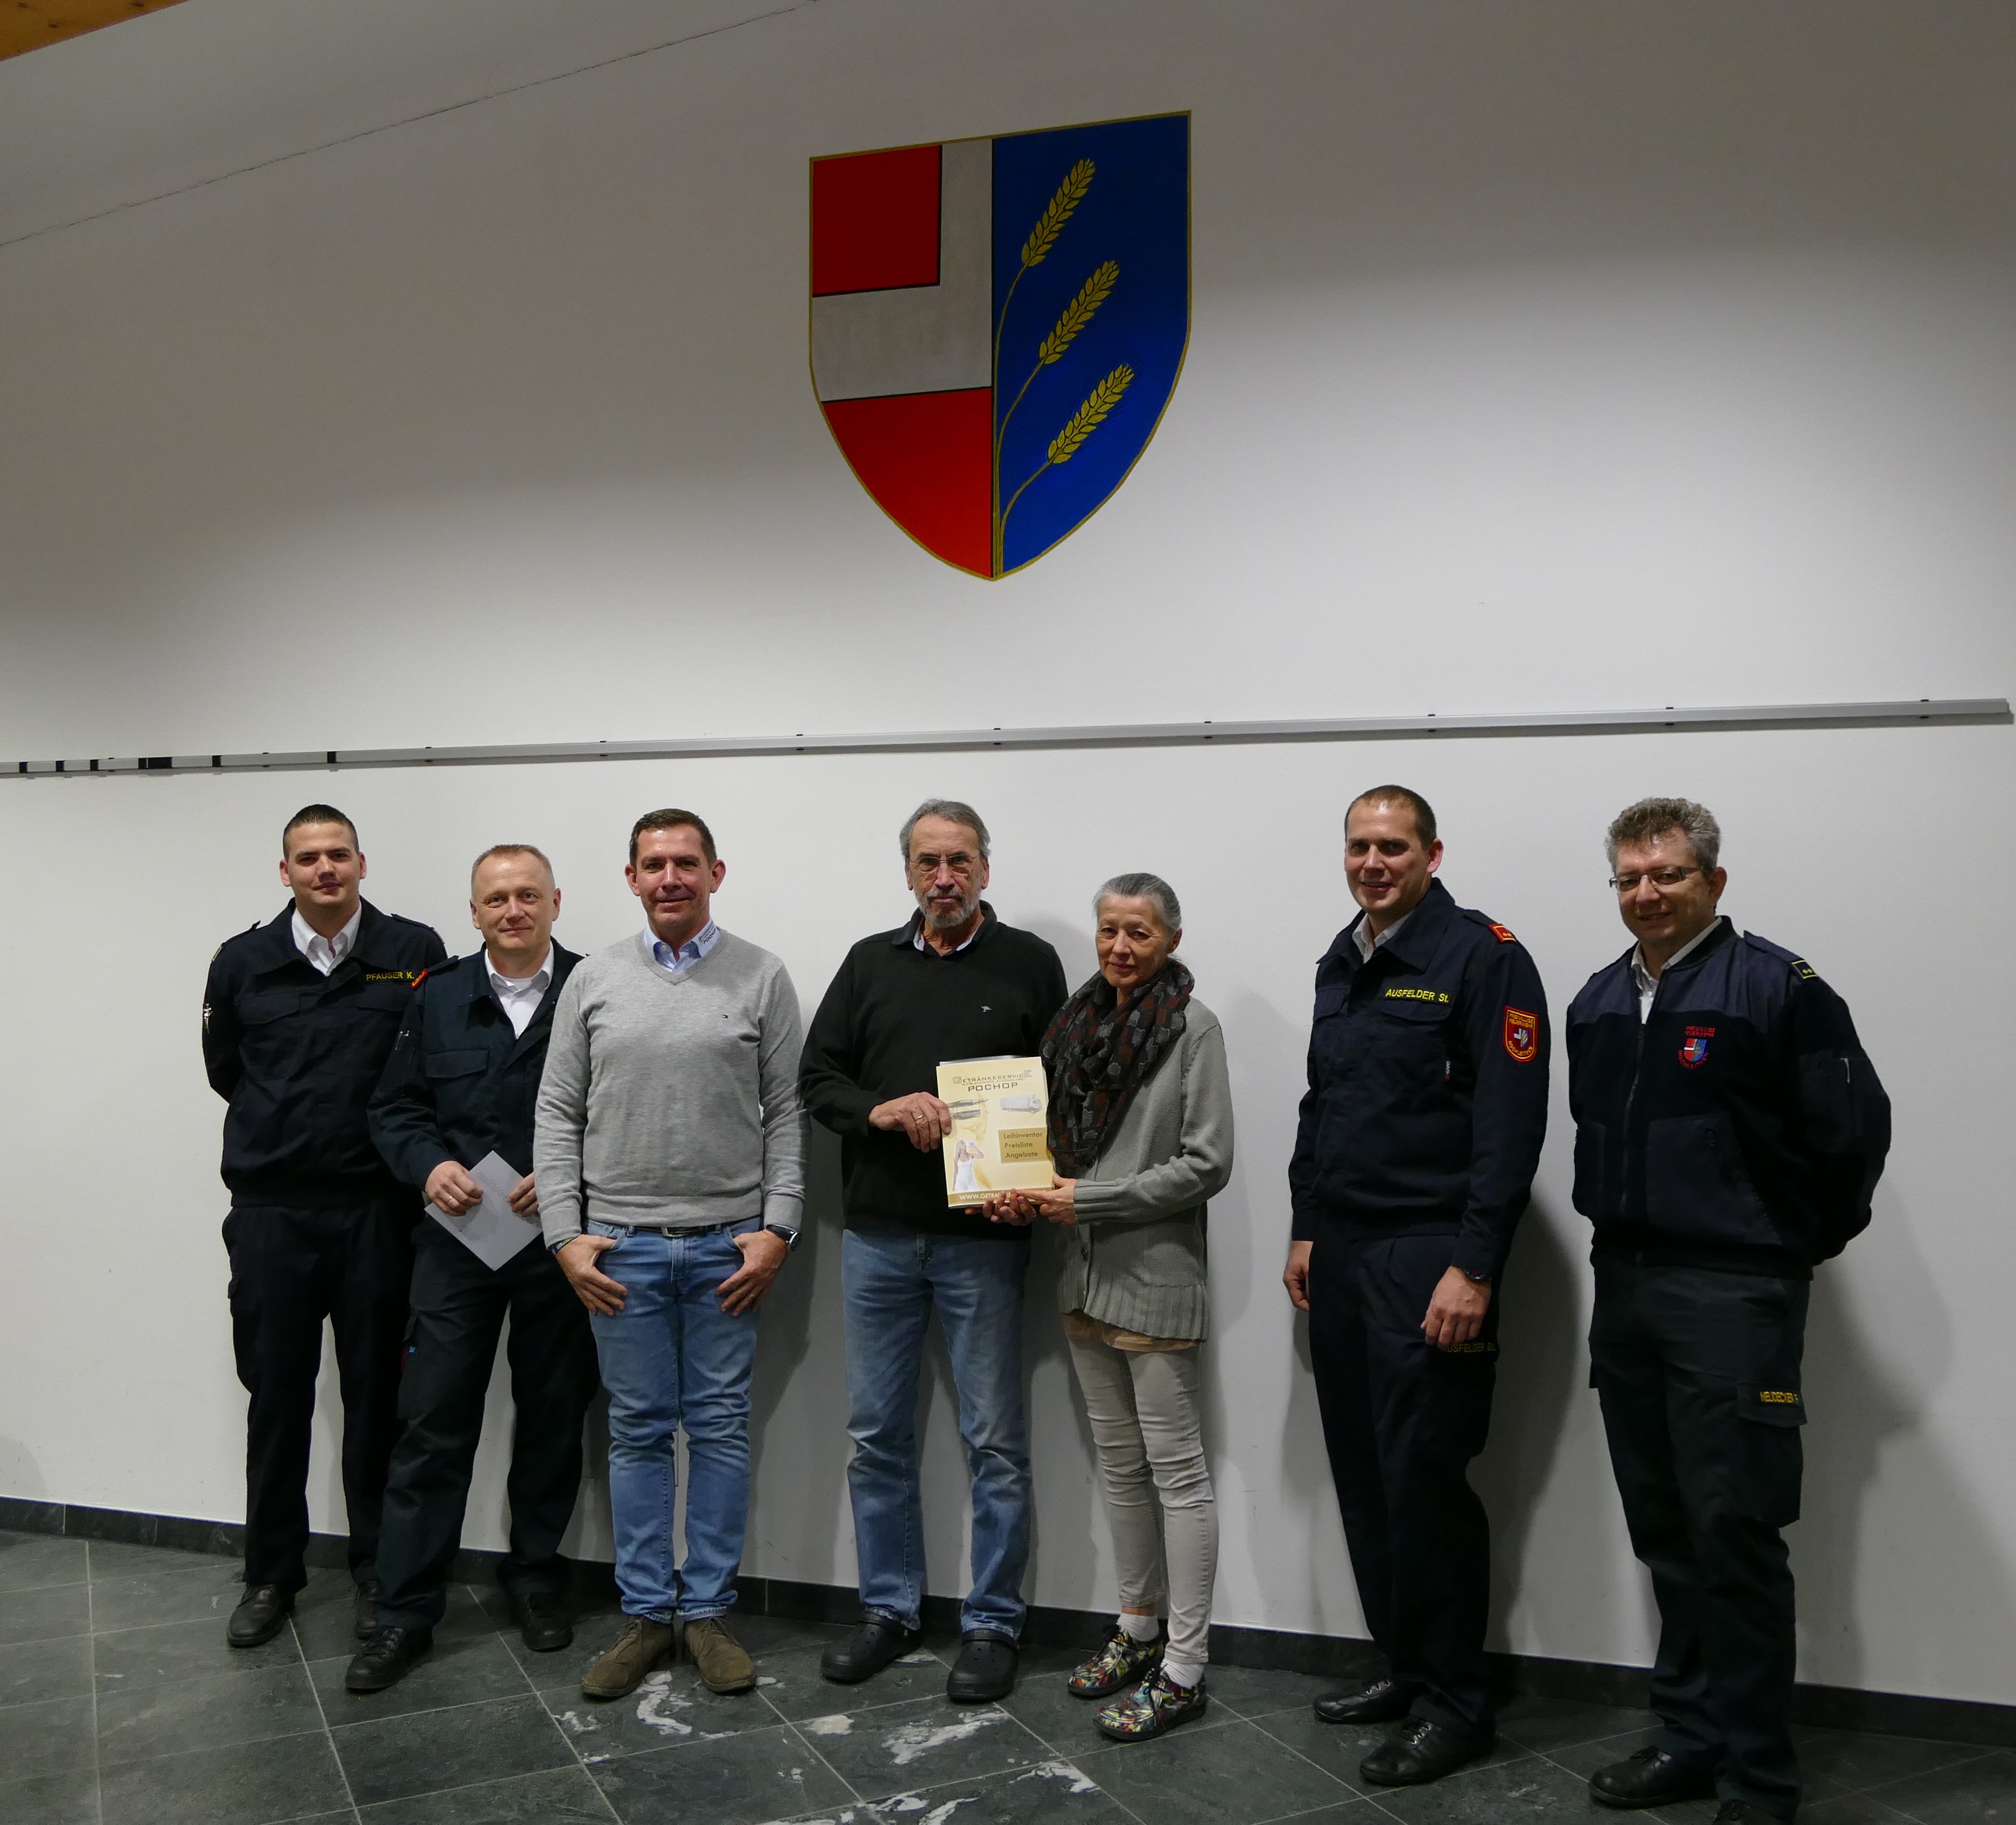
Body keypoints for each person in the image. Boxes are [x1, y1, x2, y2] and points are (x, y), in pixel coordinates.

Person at [1567, 798, 1889, 1825]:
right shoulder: (1596, 1000)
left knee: (1734, 1532)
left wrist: (1776, 1248)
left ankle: (1758, 1776)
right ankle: (1690, 1735)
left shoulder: (1778, 988)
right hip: (1626, 1287)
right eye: (1628, 877)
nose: (1646, 892)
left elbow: (1851, 1135)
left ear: (1712, 879)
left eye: (1666, 872)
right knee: (1666, 1531)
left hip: (1732, 1296)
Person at [1284, 785, 1548, 1787]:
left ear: (1432, 854)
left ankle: (1456, 1701)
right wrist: (1307, 1223)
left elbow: (1510, 1128)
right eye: (1359, 845)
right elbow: (1322, 1104)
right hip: (1344, 1252)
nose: (1373, 862)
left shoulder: (1482, 956)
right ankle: (1405, 1663)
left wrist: (1475, 1264)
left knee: (1425, 1479)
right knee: (1364, 1473)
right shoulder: (1343, 957)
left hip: (1430, 1253)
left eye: (1392, 846)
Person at [800, 798, 1067, 1703]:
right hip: (877, 1235)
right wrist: (877, 1109)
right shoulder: (867, 962)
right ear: (907, 871)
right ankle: (890, 1609)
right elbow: (816, 1079)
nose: (943, 877)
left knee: (995, 1440)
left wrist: (1035, 1178)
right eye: (927, 861)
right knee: (875, 1435)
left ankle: (992, 1623)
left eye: (959, 860)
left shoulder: (1030, 962)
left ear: (985, 868)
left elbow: (1061, 1093)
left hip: (984, 1243)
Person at [534, 809, 806, 1701]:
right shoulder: (592, 979)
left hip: (730, 1248)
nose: (670, 878)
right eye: (653, 864)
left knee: (720, 1428)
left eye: (686, 862)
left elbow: (787, 1112)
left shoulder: (762, 975)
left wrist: (778, 1227)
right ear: (631, 878)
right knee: (639, 1430)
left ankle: (709, 1614)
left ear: (715, 873)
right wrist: (565, 1234)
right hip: (623, 1251)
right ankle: (648, 1614)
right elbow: (556, 1111)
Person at [343, 844, 600, 1693]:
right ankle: (405, 1610)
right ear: (475, 911)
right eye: (497, 898)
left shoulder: (597, 989)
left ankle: (535, 1580)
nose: (513, 910)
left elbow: (620, 1110)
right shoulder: (437, 994)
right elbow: (393, 1107)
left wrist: (566, 1174)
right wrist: (429, 1166)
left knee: (553, 1417)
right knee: (431, 1423)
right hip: (456, 1244)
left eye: (528, 895)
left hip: (560, 1244)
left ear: (556, 902)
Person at [990, 872, 1231, 1744]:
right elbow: (1049, 1150)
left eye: (1139, 932)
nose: (1120, 947)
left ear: (1171, 939)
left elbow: (1206, 1163)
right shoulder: (1076, 1025)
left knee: (1179, 1476)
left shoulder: (1193, 1028)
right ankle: (1137, 1628)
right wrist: (1018, 1187)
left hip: (1155, 1281)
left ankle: (1186, 1668)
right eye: (1108, 931)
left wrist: (1085, 1199)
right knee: (1121, 1469)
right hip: (1083, 1279)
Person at [201, 805, 446, 1649]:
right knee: (277, 1399)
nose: (324, 869)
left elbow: (427, 1068)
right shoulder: (243, 961)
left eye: (338, 854)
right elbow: (226, 1069)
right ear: (286, 872)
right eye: (307, 858)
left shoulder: (413, 949)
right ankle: (271, 1573)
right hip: (272, 1213)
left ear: (362, 863)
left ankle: (380, 1572)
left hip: (378, 1211)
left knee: (380, 1400)